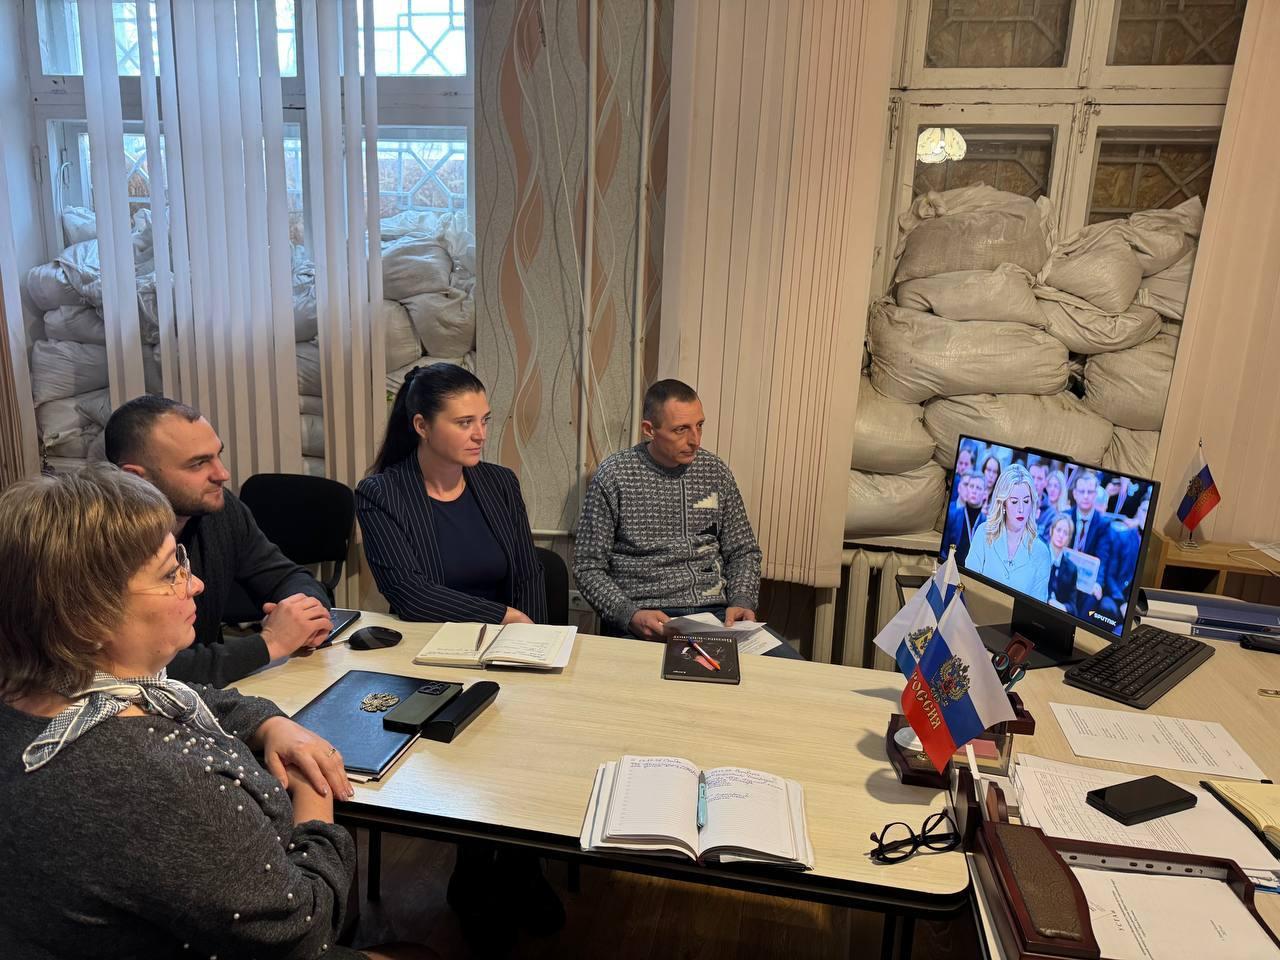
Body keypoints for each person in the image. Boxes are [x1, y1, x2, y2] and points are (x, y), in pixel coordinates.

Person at [0, 465, 428, 960]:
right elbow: (304, 932)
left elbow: (185, 691)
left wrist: (270, 723)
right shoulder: (159, 779)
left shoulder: (36, 692)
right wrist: (315, 792)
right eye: (170, 574)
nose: (196, 584)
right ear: (86, 615)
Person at [354, 363, 560, 947]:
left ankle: (521, 864)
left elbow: (526, 572)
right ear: (422, 425)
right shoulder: (382, 493)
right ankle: (472, 873)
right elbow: (410, 593)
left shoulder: (498, 483)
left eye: (484, 420)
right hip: (431, 655)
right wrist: (502, 617)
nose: (480, 434)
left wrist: (527, 643)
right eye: (464, 422)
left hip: (510, 645)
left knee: (528, 738)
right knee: (470, 747)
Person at [105, 396, 333, 687]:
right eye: (198, 464)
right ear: (136, 478)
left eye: (217, 455)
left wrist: (304, 616)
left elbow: (286, 576)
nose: (222, 474)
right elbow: (135, 671)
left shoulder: (218, 511)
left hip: (209, 694)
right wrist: (270, 644)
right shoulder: (98, 546)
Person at [573, 379, 803, 658]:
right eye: (680, 429)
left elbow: (743, 551)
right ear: (649, 430)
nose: (695, 440)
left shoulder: (715, 471)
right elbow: (587, 567)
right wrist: (629, 614)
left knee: (794, 671)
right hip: (645, 621)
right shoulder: (614, 475)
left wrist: (742, 600)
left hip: (716, 618)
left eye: (699, 425)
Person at [963, 463, 1051, 602]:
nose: (1021, 509)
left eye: (1026, 501)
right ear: (1003, 503)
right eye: (1014, 502)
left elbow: (1037, 606)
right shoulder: (984, 533)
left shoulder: (1041, 552)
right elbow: (968, 585)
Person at [1066, 470, 1115, 618]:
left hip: (1088, 580)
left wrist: (1098, 583)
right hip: (1066, 574)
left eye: (1090, 492)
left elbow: (1103, 557)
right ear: (1075, 494)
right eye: (1082, 491)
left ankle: (1078, 628)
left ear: (1095, 494)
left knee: (1092, 598)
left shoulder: (1103, 524)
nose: (1086, 496)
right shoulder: (1065, 516)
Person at [1099, 495, 1150, 624]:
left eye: (1149, 512)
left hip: (1142, 601)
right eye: (1144, 510)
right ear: (1138, 512)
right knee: (1106, 607)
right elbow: (1110, 576)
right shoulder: (1123, 537)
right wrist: (1122, 603)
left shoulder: (1155, 546)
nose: (1146, 516)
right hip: (1118, 596)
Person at [942, 471, 987, 563]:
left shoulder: (987, 524)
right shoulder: (952, 515)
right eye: (971, 486)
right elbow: (943, 551)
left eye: (978, 488)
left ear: (984, 494)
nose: (974, 491)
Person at [1046, 515, 1079, 616]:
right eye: (1058, 530)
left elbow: (1072, 606)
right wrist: (1049, 601)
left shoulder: (1072, 568)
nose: (1061, 535)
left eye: (1065, 533)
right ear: (1051, 531)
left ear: (1069, 539)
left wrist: (1062, 607)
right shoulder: (1039, 556)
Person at [1037, 468, 1070, 540]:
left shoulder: (1066, 513)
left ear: (1061, 489)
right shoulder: (1040, 508)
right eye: (1050, 485)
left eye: (1056, 486)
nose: (1052, 489)